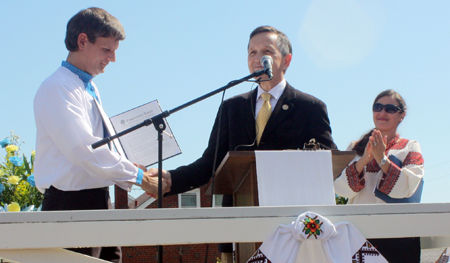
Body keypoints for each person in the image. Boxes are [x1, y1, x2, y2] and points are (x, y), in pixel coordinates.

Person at [152, 25, 337, 260]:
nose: (258, 59)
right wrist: (170, 180)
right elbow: (211, 162)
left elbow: (327, 162)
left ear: (286, 60)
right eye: (252, 52)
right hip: (240, 225)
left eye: (266, 52)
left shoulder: (310, 107)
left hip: (292, 226)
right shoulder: (232, 107)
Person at [33, 7, 169, 262]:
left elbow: (97, 146)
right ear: (82, 41)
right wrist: (139, 177)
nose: (113, 59)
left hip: (97, 200)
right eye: (107, 50)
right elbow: (84, 149)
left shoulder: (87, 87)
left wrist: (129, 167)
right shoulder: (57, 87)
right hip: (69, 206)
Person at [334, 89, 424, 263]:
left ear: (401, 116)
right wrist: (365, 159)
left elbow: (406, 189)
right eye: (378, 107)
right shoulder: (356, 147)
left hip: (399, 235)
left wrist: (381, 159)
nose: (382, 113)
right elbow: (341, 190)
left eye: (390, 109)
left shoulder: (410, 147)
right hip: (359, 235)